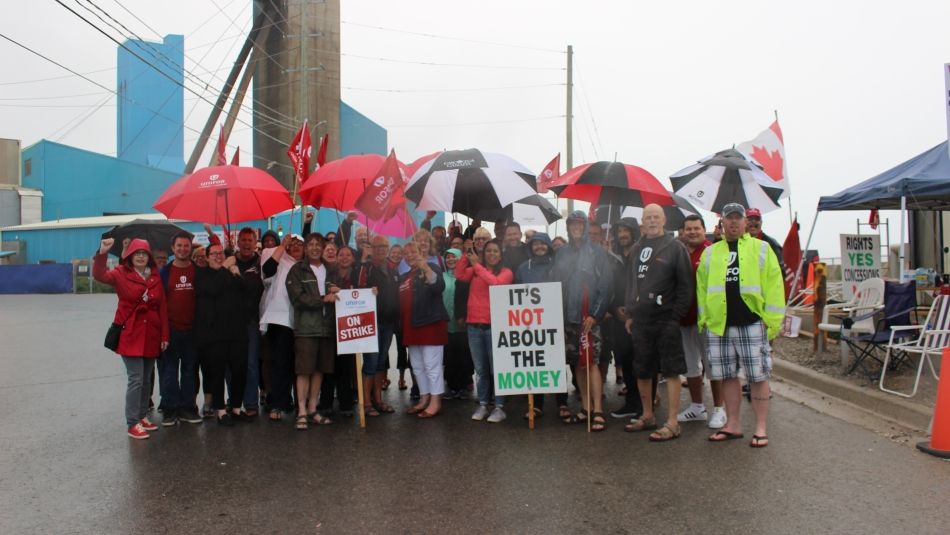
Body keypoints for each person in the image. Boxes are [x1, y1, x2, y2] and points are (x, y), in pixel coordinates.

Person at [697, 203, 785, 448]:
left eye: (738, 218)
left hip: (752, 324)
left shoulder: (763, 249)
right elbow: (702, 289)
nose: (734, 223)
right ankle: (733, 425)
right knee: (727, 376)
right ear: (721, 223)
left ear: (746, 222)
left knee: (758, 376)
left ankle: (760, 428)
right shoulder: (710, 253)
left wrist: (772, 322)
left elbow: (775, 287)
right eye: (729, 219)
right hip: (719, 325)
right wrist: (703, 320)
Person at [622, 204, 694, 441]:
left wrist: (675, 316)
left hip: (666, 318)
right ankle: (648, 415)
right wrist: (630, 313)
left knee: (671, 371)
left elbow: (686, 286)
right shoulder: (636, 248)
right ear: (642, 222)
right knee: (642, 369)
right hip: (641, 320)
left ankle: (672, 423)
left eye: (656, 217)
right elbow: (631, 283)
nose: (652, 221)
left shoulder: (675, 247)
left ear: (664, 220)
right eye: (647, 217)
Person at [94, 237, 169, 439]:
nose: (141, 256)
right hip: (131, 334)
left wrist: (164, 335)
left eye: (144, 253)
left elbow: (162, 306)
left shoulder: (154, 277)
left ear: (149, 257)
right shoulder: (120, 273)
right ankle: (132, 422)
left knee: (146, 379)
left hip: (152, 334)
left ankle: (142, 415)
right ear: (130, 256)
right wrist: (102, 253)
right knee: (136, 379)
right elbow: (99, 275)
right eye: (137, 253)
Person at [551, 211, 612, 432]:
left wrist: (595, 315)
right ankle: (585, 407)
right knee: (577, 362)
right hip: (568, 317)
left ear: (585, 226)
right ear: (568, 227)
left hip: (589, 318)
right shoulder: (562, 253)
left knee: (592, 362)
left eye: (579, 224)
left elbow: (605, 286)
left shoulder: (596, 252)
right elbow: (556, 283)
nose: (576, 227)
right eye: (572, 224)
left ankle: (597, 410)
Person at [676, 215, 726, 429]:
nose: (693, 232)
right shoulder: (680, 252)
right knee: (690, 365)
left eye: (697, 228)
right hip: (685, 318)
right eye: (689, 229)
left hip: (707, 319)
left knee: (712, 365)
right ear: (683, 231)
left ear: (703, 230)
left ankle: (719, 409)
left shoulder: (713, 251)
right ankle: (697, 407)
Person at [456, 239, 514, 423]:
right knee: (481, 369)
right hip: (474, 326)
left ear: (501, 254)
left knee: (496, 369)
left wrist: (477, 266)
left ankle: (499, 406)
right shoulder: (475, 269)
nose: (492, 254)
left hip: (494, 327)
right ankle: (483, 403)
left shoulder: (506, 272)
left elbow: (496, 284)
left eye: (495, 251)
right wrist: (467, 254)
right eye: (488, 251)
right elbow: (459, 274)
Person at [285, 234, 339, 429]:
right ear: (306, 248)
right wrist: (324, 299)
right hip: (306, 328)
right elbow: (297, 298)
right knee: (304, 370)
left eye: (319, 244)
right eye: (311, 245)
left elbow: (339, 293)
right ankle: (301, 411)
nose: (315, 248)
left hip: (327, 328)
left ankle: (312, 409)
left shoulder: (331, 270)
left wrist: (339, 292)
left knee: (319, 370)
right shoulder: (297, 270)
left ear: (323, 247)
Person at [194, 243, 248, 426]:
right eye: (214, 254)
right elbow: (212, 289)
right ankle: (220, 410)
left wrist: (236, 273)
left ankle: (236, 407)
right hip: (215, 334)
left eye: (221, 253)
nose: (218, 256)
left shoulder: (230, 271)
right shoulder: (202, 274)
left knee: (240, 371)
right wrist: (225, 268)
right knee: (217, 373)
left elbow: (246, 291)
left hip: (237, 332)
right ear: (207, 257)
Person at [514, 232, 566, 419]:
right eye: (535, 244)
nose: (539, 247)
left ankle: (562, 402)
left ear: (548, 246)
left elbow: (564, 291)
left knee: (556, 361)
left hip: (554, 321)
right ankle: (536, 405)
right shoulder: (522, 268)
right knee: (535, 363)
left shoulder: (558, 266)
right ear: (530, 247)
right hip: (530, 323)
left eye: (542, 244)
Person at [399, 241, 449, 418]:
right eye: (407, 253)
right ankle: (424, 398)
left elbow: (438, 286)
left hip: (430, 325)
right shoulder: (405, 276)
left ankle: (436, 401)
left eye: (413, 252)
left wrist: (425, 268)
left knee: (431, 365)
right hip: (411, 327)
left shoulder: (432, 267)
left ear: (421, 252)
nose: (409, 255)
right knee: (418, 366)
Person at [607, 218, 651, 421]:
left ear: (634, 232)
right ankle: (631, 402)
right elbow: (609, 284)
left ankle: (645, 406)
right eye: (620, 231)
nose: (622, 234)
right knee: (624, 359)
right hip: (618, 316)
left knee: (641, 362)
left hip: (640, 317)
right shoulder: (612, 256)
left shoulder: (643, 254)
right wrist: (614, 307)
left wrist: (634, 309)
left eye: (626, 231)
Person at [157, 232, 203, 426]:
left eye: (186, 246)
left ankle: (188, 408)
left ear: (190, 248)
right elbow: (159, 303)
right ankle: (170, 409)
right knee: (169, 372)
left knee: (189, 371)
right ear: (173, 248)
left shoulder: (198, 271)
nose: (183, 249)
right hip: (170, 330)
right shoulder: (164, 273)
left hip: (193, 331)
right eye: (179, 246)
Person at [259, 233, 305, 421]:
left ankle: (297, 402)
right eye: (292, 243)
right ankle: (278, 402)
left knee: (300, 365)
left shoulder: (308, 264)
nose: (295, 246)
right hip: (280, 318)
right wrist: (281, 247)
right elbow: (267, 271)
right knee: (280, 363)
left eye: (300, 244)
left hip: (303, 320)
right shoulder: (276, 256)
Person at [357, 235, 399, 415]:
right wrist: (368, 291)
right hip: (371, 323)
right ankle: (366, 403)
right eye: (378, 246)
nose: (381, 249)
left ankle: (378, 400)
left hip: (388, 323)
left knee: (381, 362)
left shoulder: (392, 268)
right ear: (372, 249)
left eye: (384, 246)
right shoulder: (365, 268)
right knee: (371, 363)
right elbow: (357, 291)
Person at [231, 227, 266, 418]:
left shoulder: (260, 263)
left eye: (249, 240)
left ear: (255, 243)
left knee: (251, 364)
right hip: (230, 323)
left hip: (252, 321)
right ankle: (233, 402)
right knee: (232, 365)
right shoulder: (229, 260)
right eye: (242, 240)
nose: (246, 244)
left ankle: (251, 403)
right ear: (237, 242)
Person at [319, 246, 357, 418]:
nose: (344, 257)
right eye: (341, 254)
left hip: (350, 326)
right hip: (330, 324)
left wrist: (371, 292)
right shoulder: (328, 274)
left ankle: (346, 403)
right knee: (328, 365)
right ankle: (326, 402)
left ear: (353, 258)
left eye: (348, 254)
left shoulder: (358, 275)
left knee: (346, 367)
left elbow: (364, 293)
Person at [441, 248, 472, 400]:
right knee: (449, 358)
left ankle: (463, 386)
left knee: (463, 356)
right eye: (448, 257)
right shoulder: (441, 277)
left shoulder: (466, 276)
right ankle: (451, 386)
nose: (451, 260)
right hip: (446, 324)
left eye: (454, 257)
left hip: (463, 323)